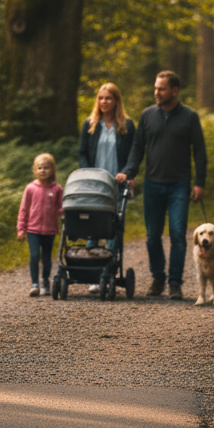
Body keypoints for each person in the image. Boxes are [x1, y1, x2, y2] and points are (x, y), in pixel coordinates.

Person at [118, 71, 206, 300]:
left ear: (174, 91)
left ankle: (175, 283)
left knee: (177, 234)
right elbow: (137, 148)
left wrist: (199, 183)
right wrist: (129, 172)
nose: (156, 93)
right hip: (153, 184)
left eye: (162, 89)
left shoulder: (189, 116)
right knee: (152, 235)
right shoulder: (147, 115)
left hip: (179, 185)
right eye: (155, 88)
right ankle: (158, 279)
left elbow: (199, 151)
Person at [78, 82, 136, 289]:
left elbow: (133, 154)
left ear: (116, 101)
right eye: (101, 98)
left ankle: (108, 272)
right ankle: (92, 272)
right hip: (95, 185)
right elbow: (82, 153)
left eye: (108, 98)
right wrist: (88, 173)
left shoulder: (127, 126)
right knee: (93, 226)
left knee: (113, 229)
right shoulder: (90, 124)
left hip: (117, 185)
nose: (104, 102)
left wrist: (127, 173)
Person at [17, 152, 63, 297]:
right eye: (40, 168)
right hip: (33, 229)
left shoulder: (57, 189)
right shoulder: (30, 188)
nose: (43, 170)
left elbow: (60, 207)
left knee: (47, 258)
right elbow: (24, 209)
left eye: (46, 168)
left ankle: (45, 281)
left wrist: (66, 217)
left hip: (49, 230)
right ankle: (35, 284)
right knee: (35, 255)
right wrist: (21, 229)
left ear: (53, 170)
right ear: (34, 170)